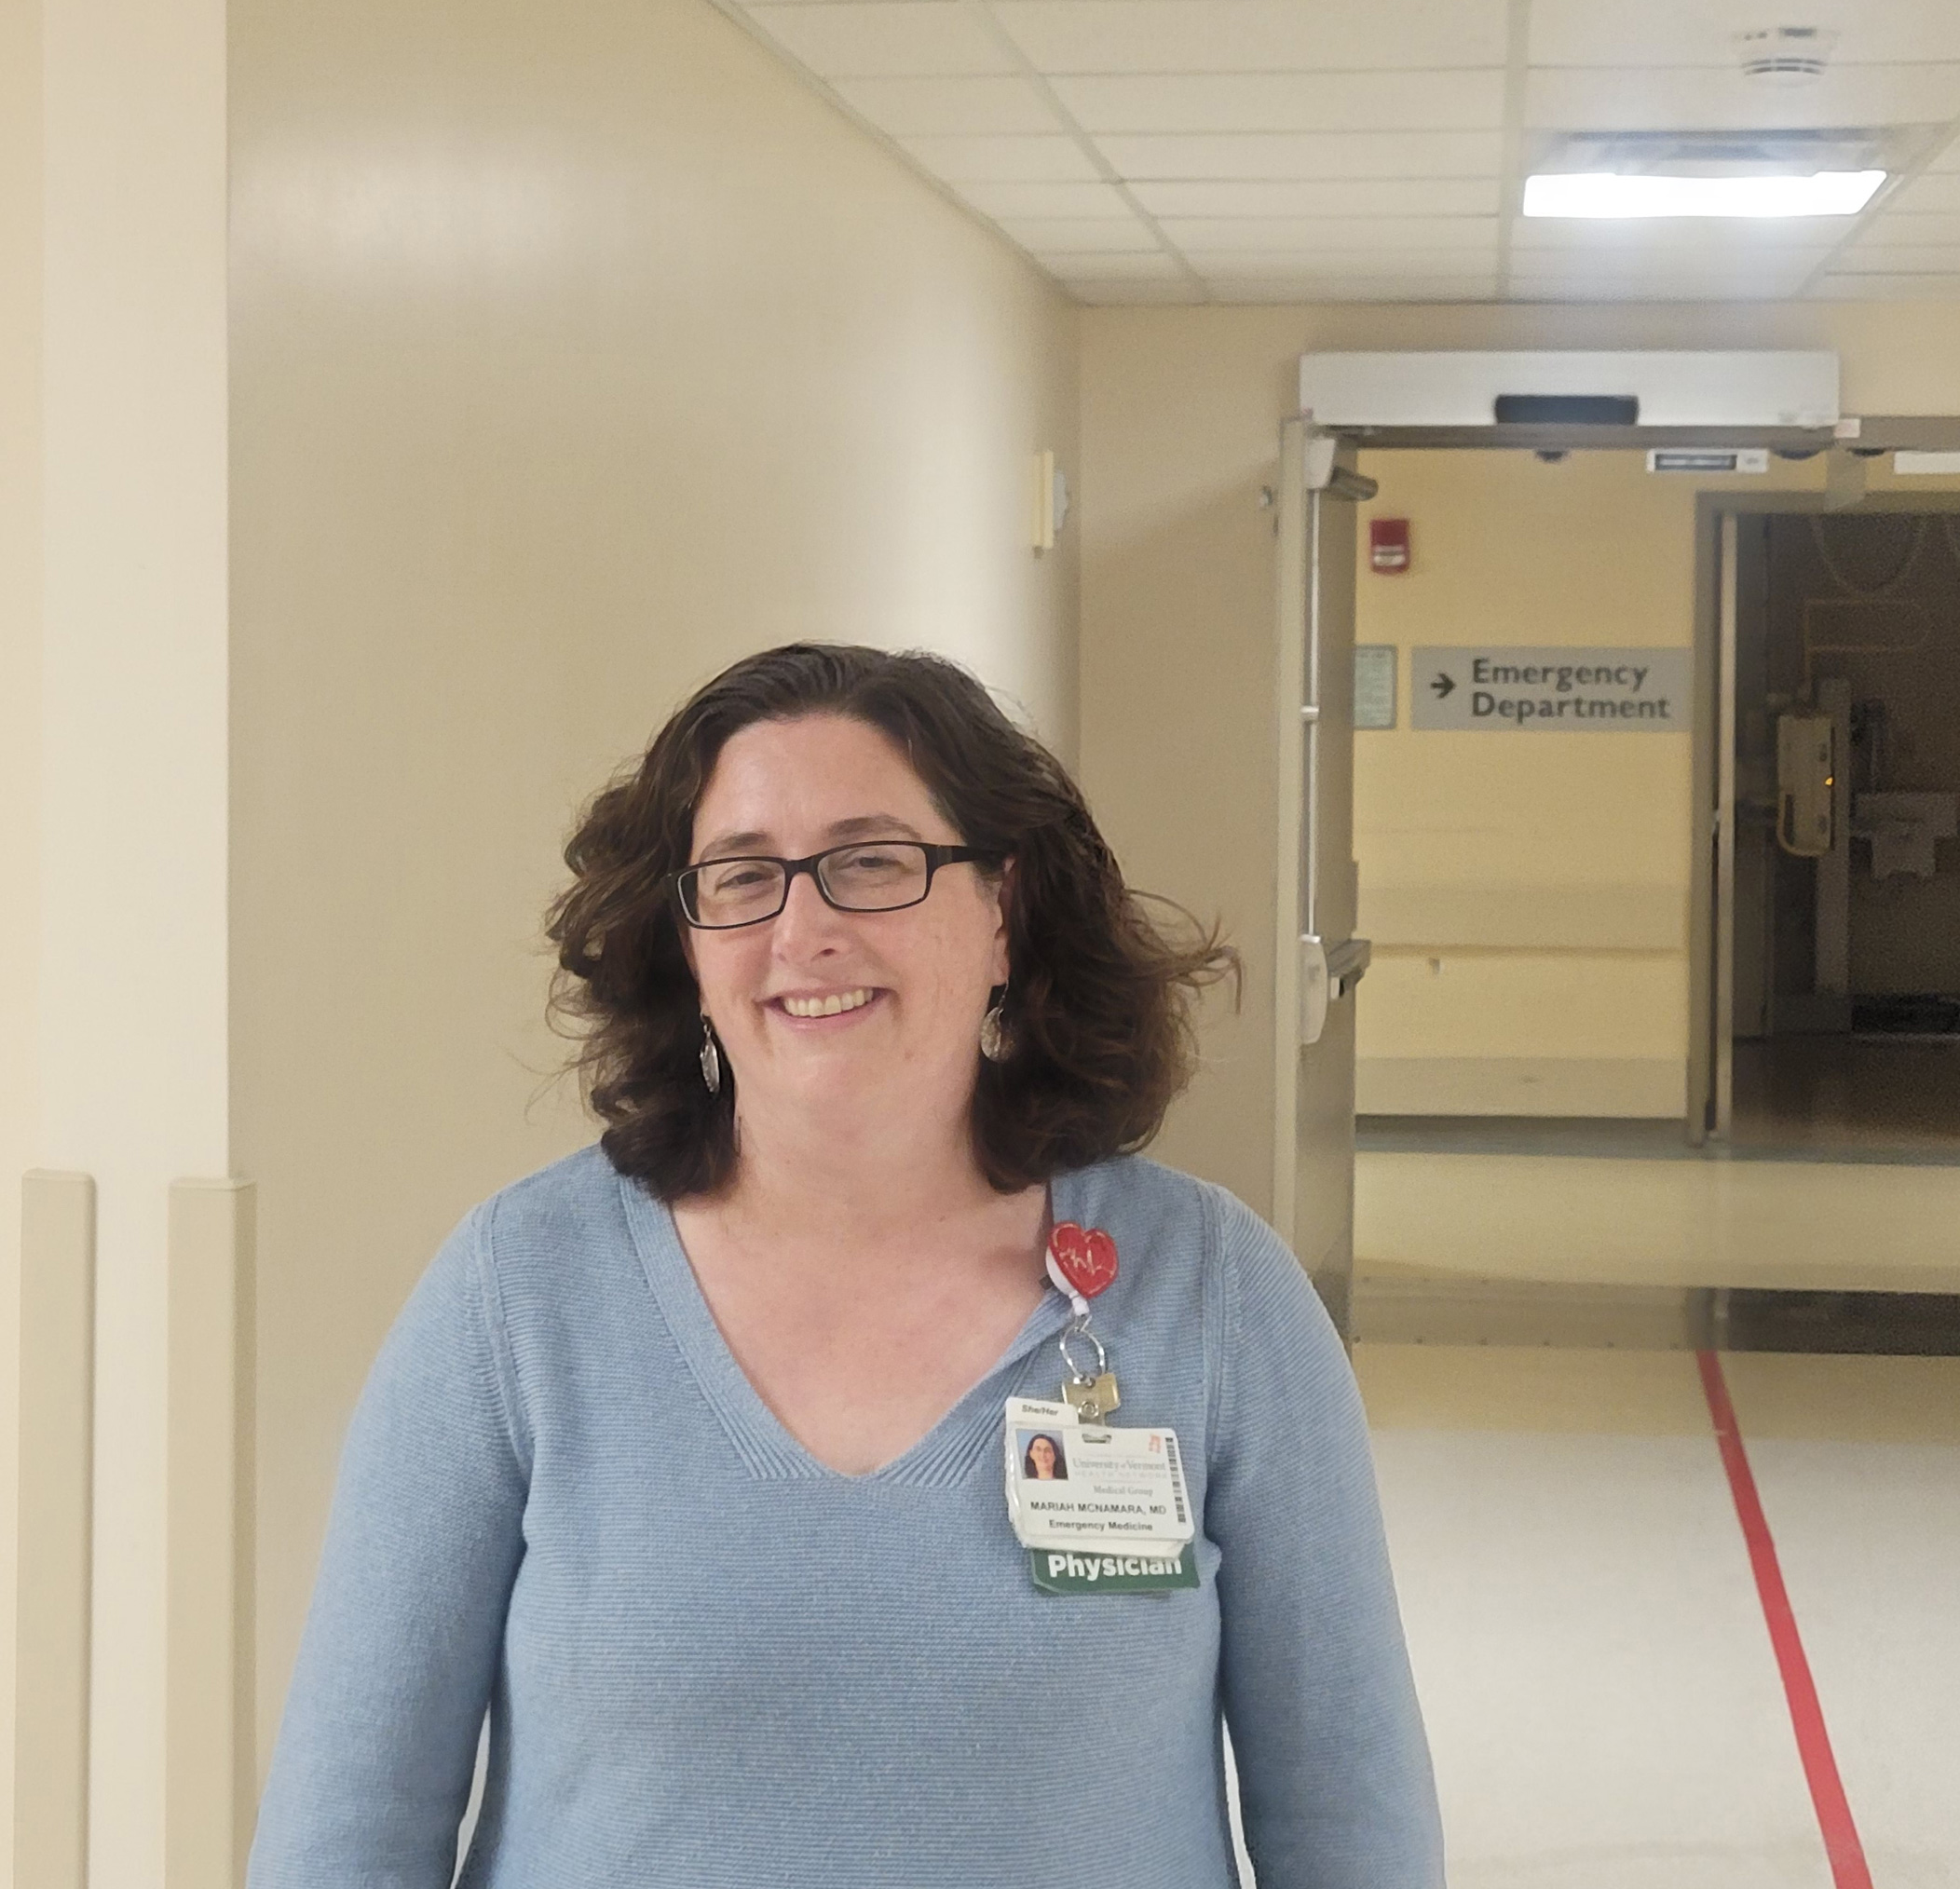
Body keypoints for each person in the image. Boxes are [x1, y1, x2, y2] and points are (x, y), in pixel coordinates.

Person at [248, 642, 1445, 1888]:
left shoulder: (1215, 1297)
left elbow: (1350, 1825)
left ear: (1003, 909)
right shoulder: (518, 1295)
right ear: (687, 942)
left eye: (872, 863)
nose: (802, 928)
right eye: (742, 876)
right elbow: (349, 1825)